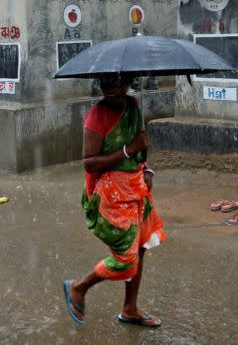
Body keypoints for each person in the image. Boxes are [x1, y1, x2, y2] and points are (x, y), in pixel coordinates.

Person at [63, 74, 165, 328]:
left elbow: (140, 150)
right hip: (109, 197)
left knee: (140, 248)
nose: (110, 90)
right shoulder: (96, 116)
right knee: (125, 258)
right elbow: (89, 162)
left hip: (135, 190)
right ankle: (79, 286)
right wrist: (128, 150)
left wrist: (146, 169)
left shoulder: (132, 106)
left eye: (116, 84)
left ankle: (129, 309)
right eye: (105, 85)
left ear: (127, 82)